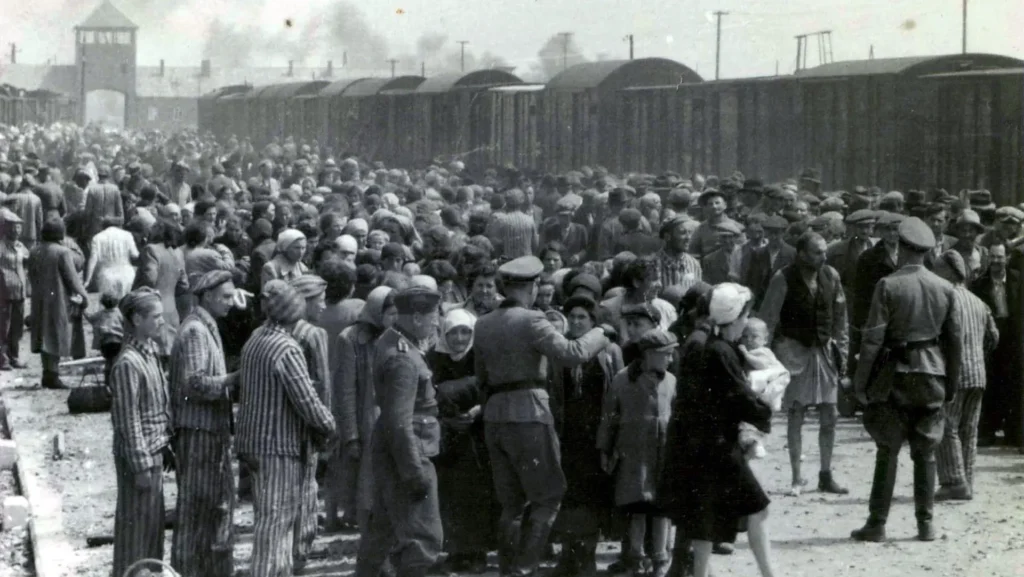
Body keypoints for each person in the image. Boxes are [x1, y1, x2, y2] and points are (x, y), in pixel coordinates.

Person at [474, 255, 611, 577]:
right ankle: (525, 569)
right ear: (533, 286)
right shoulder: (533, 320)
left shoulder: (483, 323)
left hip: (495, 416)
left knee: (512, 503)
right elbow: (572, 354)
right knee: (548, 496)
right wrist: (601, 332)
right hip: (530, 415)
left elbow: (480, 377)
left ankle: (509, 570)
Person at [851, 217, 963, 543]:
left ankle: (877, 522)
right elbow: (954, 341)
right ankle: (925, 524)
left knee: (888, 450)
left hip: (894, 377)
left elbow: (871, 342)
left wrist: (861, 383)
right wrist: (951, 383)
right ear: (927, 252)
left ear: (900, 247)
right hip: (932, 375)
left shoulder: (887, 286)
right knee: (925, 453)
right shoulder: (944, 288)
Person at [662, 283, 776, 577]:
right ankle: (769, 574)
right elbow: (740, 397)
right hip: (718, 447)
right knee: (758, 507)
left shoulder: (702, 345)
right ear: (735, 317)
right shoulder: (722, 352)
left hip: (693, 444)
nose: (745, 323)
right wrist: (765, 407)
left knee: (702, 519)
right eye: (744, 317)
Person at [238, 280, 336, 577]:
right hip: (278, 446)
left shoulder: (255, 338)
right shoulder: (286, 348)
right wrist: (329, 425)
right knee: (276, 525)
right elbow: (306, 398)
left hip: (253, 442)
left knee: (267, 519)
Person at [355, 286, 444, 577]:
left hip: (394, 448)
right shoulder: (404, 358)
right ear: (416, 318)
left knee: (382, 530)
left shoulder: (392, 340)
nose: (437, 322)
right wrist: (413, 471)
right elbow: (400, 422)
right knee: (423, 539)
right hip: (409, 451)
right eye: (433, 316)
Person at [758, 231, 849, 496]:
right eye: (817, 252)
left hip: (823, 352)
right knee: (796, 414)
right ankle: (797, 478)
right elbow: (768, 319)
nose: (823, 257)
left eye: (824, 252)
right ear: (801, 254)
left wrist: (842, 352)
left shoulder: (831, 276)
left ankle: (825, 474)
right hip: (794, 352)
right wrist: (769, 360)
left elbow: (841, 318)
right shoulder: (783, 278)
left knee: (829, 414)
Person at [169, 270, 240, 577]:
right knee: (197, 513)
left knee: (209, 511)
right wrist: (234, 379)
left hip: (208, 431)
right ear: (207, 296)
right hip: (199, 433)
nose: (231, 303)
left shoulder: (204, 326)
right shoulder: (196, 331)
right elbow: (195, 383)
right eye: (226, 297)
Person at [549, 295, 623, 577]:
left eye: (584, 317)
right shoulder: (560, 350)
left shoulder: (610, 350)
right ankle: (567, 556)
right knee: (568, 496)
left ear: (594, 322)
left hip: (596, 435)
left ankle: (587, 557)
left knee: (593, 497)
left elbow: (616, 394)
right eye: (574, 317)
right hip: (568, 434)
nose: (578, 322)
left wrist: (611, 437)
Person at [597, 329, 678, 577]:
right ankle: (635, 556)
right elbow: (609, 416)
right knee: (636, 506)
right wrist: (604, 448)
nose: (671, 359)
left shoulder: (671, 381)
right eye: (666, 354)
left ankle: (661, 558)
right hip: (633, 453)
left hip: (662, 453)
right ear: (649, 354)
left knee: (661, 507)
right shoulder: (623, 379)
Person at [109, 288, 174, 577]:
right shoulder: (128, 363)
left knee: (151, 530)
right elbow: (128, 420)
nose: (161, 321)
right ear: (137, 319)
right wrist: (141, 465)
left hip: (154, 452)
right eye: (156, 316)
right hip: (141, 459)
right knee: (135, 533)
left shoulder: (149, 353)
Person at [427, 309, 496, 575]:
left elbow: (491, 389)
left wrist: (478, 410)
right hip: (448, 435)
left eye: (465, 331)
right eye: (453, 332)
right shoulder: (435, 358)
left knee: (478, 493)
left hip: (477, 434)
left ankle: (478, 552)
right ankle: (456, 551)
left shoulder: (481, 357)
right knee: (451, 494)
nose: (458, 338)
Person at [328, 287, 397, 532]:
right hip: (366, 421)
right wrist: (351, 435)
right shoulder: (350, 339)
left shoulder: (399, 338)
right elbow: (344, 391)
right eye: (390, 313)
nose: (395, 319)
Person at [931, 250, 997, 501]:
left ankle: (953, 481)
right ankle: (967, 480)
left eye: (938, 268)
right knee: (970, 429)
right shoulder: (978, 301)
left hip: (953, 373)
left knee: (947, 425)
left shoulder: (944, 298)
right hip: (978, 372)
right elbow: (994, 336)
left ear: (949, 271)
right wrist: (978, 352)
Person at [288, 274, 332, 570]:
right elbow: (324, 384)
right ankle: (300, 552)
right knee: (307, 487)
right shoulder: (313, 333)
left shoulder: (281, 329)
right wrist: (326, 424)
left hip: (286, 420)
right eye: (320, 300)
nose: (324, 306)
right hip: (310, 419)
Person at [27, 218, 89, 389]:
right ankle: (53, 376)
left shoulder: (34, 251)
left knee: (43, 334)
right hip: (57, 298)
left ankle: (47, 373)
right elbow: (72, 278)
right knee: (55, 334)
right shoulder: (62, 252)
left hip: (39, 298)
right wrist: (84, 296)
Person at [972, 243, 1023, 447]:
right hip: (991, 338)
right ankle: (987, 430)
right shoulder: (978, 284)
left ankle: (1014, 432)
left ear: (1007, 258)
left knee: (1014, 384)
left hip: (1013, 336)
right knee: (992, 383)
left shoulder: (1018, 279)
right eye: (992, 257)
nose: (995, 261)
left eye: (999, 257)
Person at [737, 318, 790, 460]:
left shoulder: (763, 352)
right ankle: (752, 443)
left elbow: (762, 365)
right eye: (745, 336)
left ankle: (756, 443)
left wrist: (746, 355)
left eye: (754, 337)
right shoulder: (750, 350)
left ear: (765, 339)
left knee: (757, 417)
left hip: (766, 390)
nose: (749, 340)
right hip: (756, 391)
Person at [0, 209, 29, 370]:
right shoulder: (1, 247)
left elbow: (28, 260)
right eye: (13, 228)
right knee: (3, 328)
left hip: (19, 291)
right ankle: (2, 358)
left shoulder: (20, 246)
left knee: (17, 327)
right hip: (4, 293)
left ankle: (14, 356)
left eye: (18, 228)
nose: (17, 231)